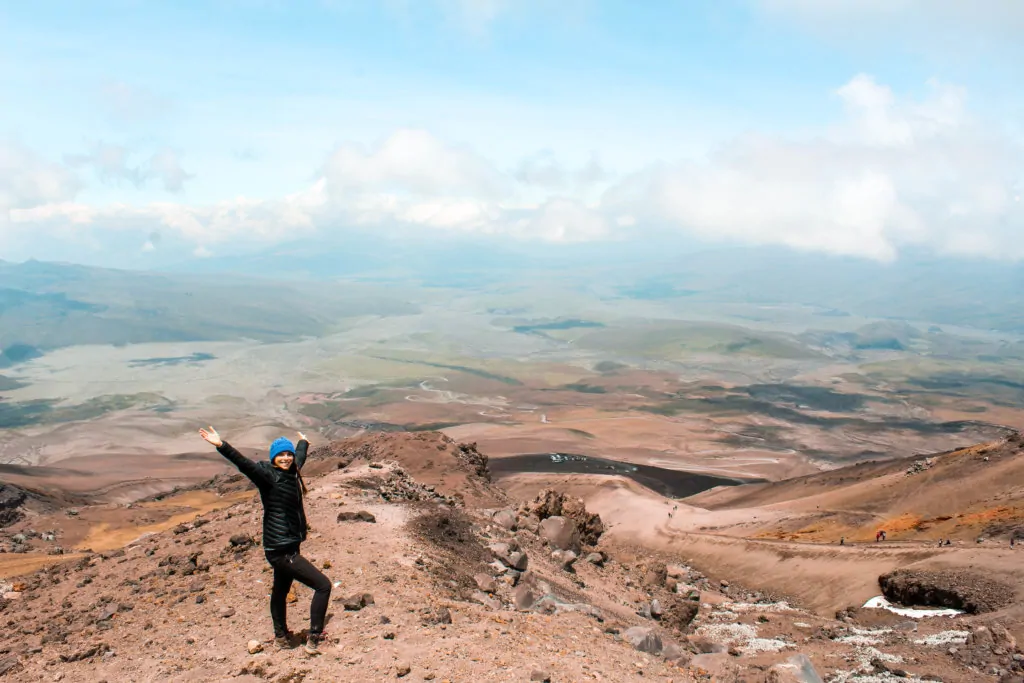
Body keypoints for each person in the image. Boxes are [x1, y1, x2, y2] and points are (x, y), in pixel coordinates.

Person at [199, 426, 332, 655]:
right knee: (323, 586)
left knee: (280, 591)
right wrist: (222, 445)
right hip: (281, 551)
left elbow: (299, 458)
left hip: (288, 544)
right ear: (273, 458)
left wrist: (303, 443)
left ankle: (281, 636)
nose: (286, 458)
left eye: (288, 454)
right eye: (281, 455)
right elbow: (244, 464)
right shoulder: (267, 476)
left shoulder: (292, 471)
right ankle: (314, 638)